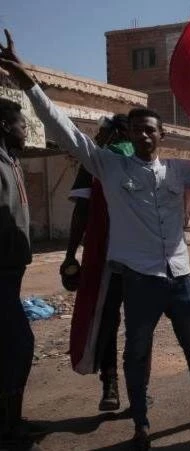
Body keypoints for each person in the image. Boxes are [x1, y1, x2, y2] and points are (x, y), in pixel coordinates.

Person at [1, 30, 190, 450]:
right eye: (136, 131)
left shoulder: (179, 170)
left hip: (181, 277)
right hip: (140, 279)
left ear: (161, 135)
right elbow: (62, 129)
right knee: (137, 352)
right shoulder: (109, 168)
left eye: (150, 131)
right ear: (130, 135)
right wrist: (28, 81)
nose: (143, 136)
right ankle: (142, 424)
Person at [60, 114, 153, 413]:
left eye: (105, 133)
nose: (101, 138)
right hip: (136, 259)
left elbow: (81, 213)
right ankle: (138, 390)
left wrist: (70, 255)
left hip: (110, 260)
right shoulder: (143, 162)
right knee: (140, 325)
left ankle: (111, 385)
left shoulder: (99, 161)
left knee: (108, 323)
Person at [0, 94, 40, 450]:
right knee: (20, 344)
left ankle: (11, 418)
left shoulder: (13, 161)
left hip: (12, 271)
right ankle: (9, 423)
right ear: (4, 126)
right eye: (22, 124)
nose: (26, 130)